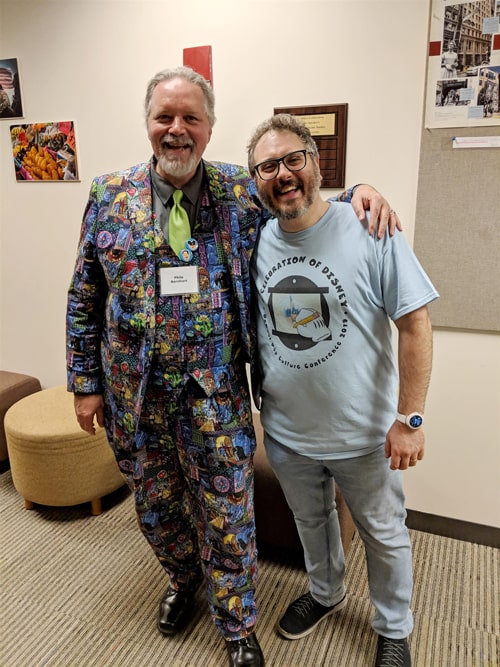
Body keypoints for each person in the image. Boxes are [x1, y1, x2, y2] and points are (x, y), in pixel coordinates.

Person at [66, 66, 399, 667]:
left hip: (215, 397)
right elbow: (84, 296)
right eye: (165, 117)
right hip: (134, 400)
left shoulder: (239, 192)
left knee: (228, 517)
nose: (177, 129)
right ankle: (182, 578)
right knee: (157, 511)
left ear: (209, 127)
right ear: (148, 123)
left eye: (190, 118)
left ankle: (238, 624)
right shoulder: (108, 195)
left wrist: (358, 192)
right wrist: (85, 385)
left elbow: (299, 201)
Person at [247, 114, 438, 667]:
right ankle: (326, 593)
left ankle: (394, 628)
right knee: (312, 525)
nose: (283, 174)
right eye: (267, 166)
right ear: (255, 179)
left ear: (316, 162)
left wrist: (410, 419)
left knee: (384, 534)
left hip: (366, 436)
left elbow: (415, 325)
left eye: (293, 159)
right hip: (287, 435)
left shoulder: (371, 229)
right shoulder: (255, 240)